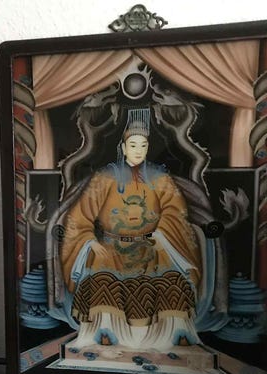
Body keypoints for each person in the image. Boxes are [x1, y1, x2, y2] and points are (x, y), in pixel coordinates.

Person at [60, 114, 202, 351]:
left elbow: (176, 211)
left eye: (143, 145)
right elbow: (79, 215)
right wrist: (89, 241)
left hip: (152, 246)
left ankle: (167, 336)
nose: (138, 150)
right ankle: (105, 333)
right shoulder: (104, 178)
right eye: (133, 145)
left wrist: (161, 235)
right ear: (124, 147)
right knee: (101, 278)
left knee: (173, 279)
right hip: (111, 247)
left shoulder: (160, 178)